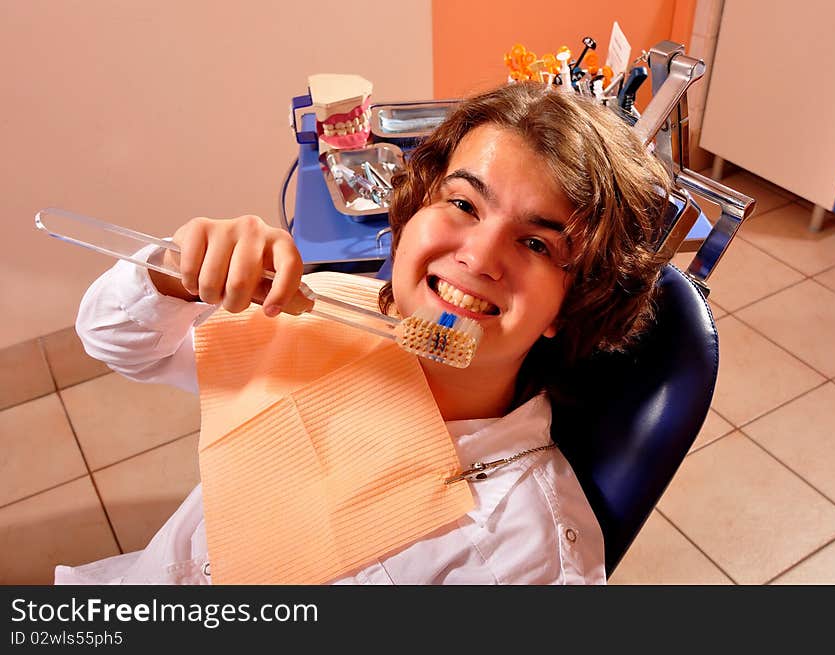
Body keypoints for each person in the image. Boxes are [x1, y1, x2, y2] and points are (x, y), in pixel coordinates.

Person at [55, 81, 670, 585]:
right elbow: (114, 340)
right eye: (462, 204)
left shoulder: (524, 555)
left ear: (574, 302)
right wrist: (177, 273)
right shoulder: (313, 317)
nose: (480, 257)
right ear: (415, 208)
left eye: (537, 243)